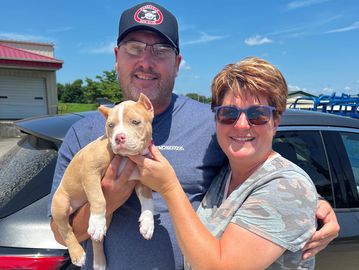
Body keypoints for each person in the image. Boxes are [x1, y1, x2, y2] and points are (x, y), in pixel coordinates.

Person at [49, 2, 339, 269]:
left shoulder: (214, 124)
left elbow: (257, 175)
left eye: (161, 51)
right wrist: (108, 200)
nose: (146, 62)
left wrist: (314, 204)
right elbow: (61, 235)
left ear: (177, 63)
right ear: (116, 57)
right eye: (134, 48)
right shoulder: (84, 133)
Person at [129, 57, 322, 269]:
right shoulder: (226, 174)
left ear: (275, 121)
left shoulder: (286, 186)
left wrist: (168, 187)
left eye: (257, 115)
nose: (241, 125)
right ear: (216, 119)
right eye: (228, 114)